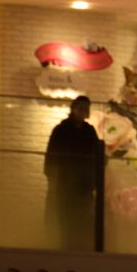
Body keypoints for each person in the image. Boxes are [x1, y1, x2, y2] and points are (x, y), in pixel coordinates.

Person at [44, 95, 104, 251]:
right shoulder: (61, 130)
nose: (84, 112)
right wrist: (53, 180)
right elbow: (52, 157)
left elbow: (97, 156)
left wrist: (95, 180)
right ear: (74, 109)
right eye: (81, 108)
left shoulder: (89, 132)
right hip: (66, 184)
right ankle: (67, 248)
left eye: (86, 109)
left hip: (83, 186)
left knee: (82, 220)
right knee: (66, 219)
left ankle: (78, 248)